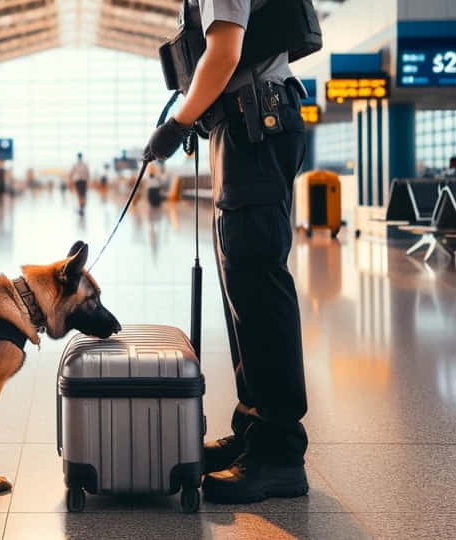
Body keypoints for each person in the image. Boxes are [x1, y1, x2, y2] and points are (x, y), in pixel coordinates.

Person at [144, 0, 309, 504]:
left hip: (255, 123)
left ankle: (279, 456)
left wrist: (177, 122)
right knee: (244, 289)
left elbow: (224, 50)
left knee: (257, 288)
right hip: (246, 124)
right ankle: (254, 435)